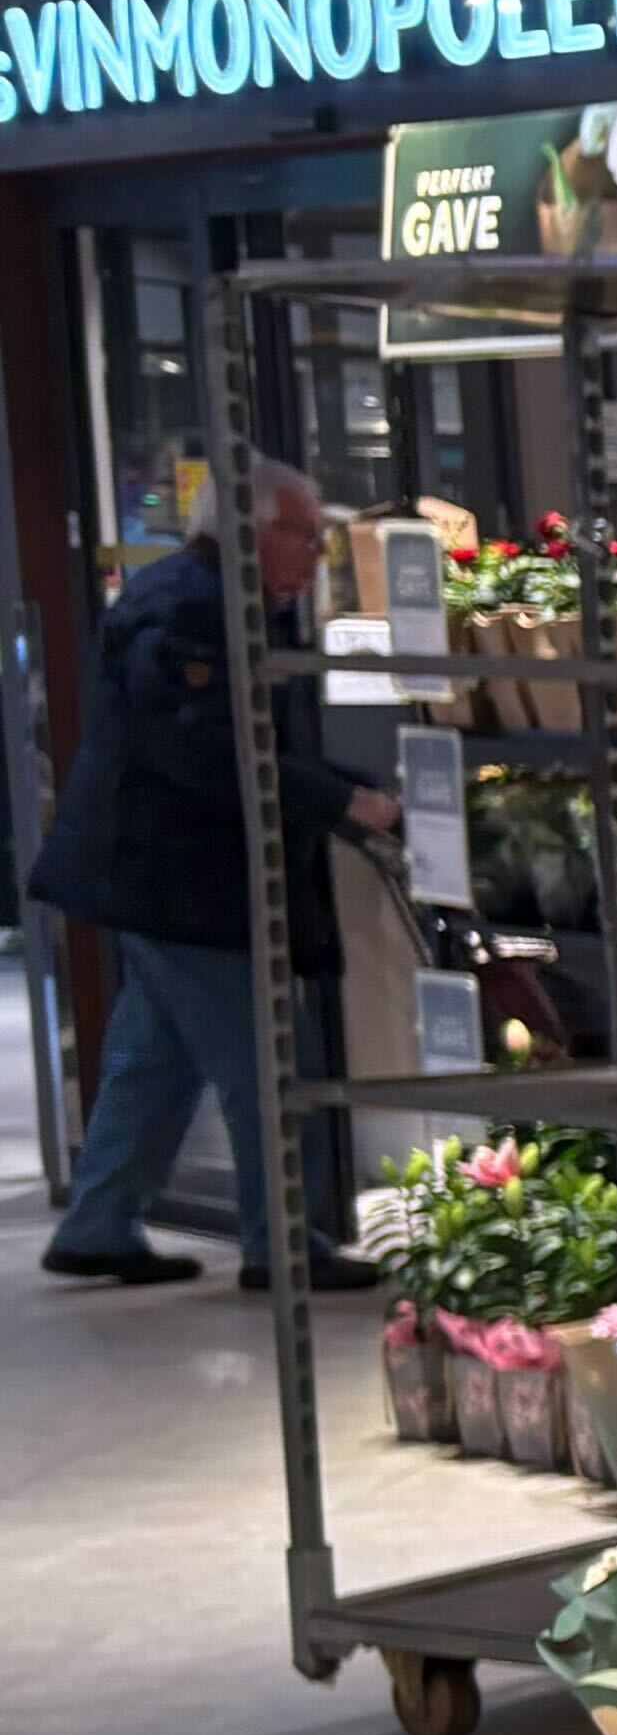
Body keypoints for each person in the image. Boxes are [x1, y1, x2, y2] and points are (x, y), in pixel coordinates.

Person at [26, 460, 388, 1287]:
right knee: (267, 1061)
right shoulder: (190, 609)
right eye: (305, 532)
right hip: (185, 880)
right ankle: (285, 1245)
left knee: (153, 1060)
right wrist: (339, 801)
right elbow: (207, 751)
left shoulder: (215, 602)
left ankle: (98, 1223)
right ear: (251, 534)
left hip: (166, 877)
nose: (318, 548)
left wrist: (338, 790)